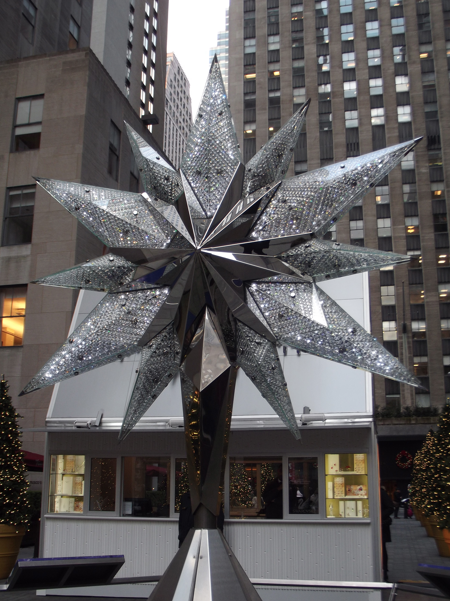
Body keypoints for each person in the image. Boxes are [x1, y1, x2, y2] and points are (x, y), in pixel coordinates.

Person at [380, 486, 394, 582]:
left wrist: (379, 516)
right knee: (382, 549)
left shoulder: (380, 492)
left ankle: (384, 572)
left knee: (382, 549)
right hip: (382, 525)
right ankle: (384, 571)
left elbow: (390, 507)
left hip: (381, 526)